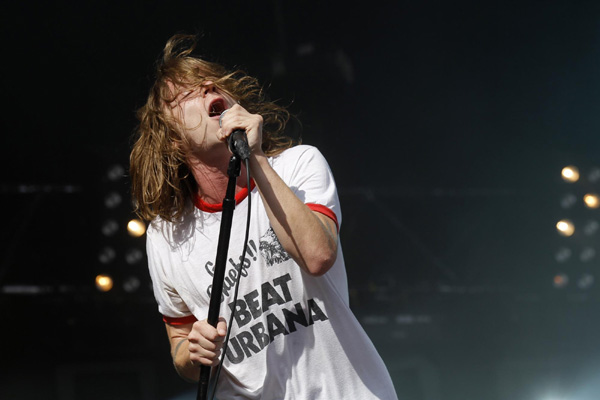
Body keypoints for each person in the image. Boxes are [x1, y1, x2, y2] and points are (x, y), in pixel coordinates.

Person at [130, 33, 398, 399]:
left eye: (211, 83)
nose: (208, 88)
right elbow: (179, 344)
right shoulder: (166, 236)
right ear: (173, 138)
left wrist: (253, 157)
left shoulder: (297, 165)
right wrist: (191, 353)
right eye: (188, 93)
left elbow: (317, 256)